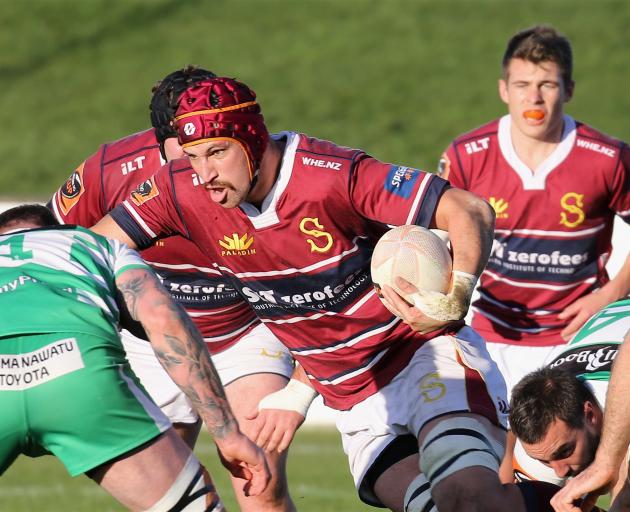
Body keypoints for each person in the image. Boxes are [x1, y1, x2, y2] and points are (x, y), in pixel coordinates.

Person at [87, 75, 567, 512]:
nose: (205, 173)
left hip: (421, 356)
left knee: (468, 497)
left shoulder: (331, 175)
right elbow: (90, 249)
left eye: (216, 153)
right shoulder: (181, 188)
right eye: (193, 158)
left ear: (251, 139)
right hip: (354, 400)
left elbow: (469, 209)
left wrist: (456, 294)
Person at [48, 66, 300, 511]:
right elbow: (50, 242)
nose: (201, 169)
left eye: (212, 148)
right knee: (170, 493)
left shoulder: (250, 164)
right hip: (150, 339)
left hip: (245, 328)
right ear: (160, 139)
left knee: (260, 476)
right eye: (186, 151)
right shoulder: (109, 170)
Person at [0, 204, 269, 511]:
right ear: (57, 228)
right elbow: (161, 317)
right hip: (80, 375)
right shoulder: (97, 244)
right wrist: (228, 434)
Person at [439, 25, 630, 395]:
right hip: (492, 330)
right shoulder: (466, 156)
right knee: (494, 451)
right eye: (523, 85)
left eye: (548, 85)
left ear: (569, 90)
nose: (535, 98)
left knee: (573, 451)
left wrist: (609, 296)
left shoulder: (609, 159)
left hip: (579, 334)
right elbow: (437, 241)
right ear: (503, 90)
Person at [508, 297, 630, 511]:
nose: (559, 472)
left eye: (565, 452)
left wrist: (608, 463)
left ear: (590, 415)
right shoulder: (544, 442)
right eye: (545, 461)